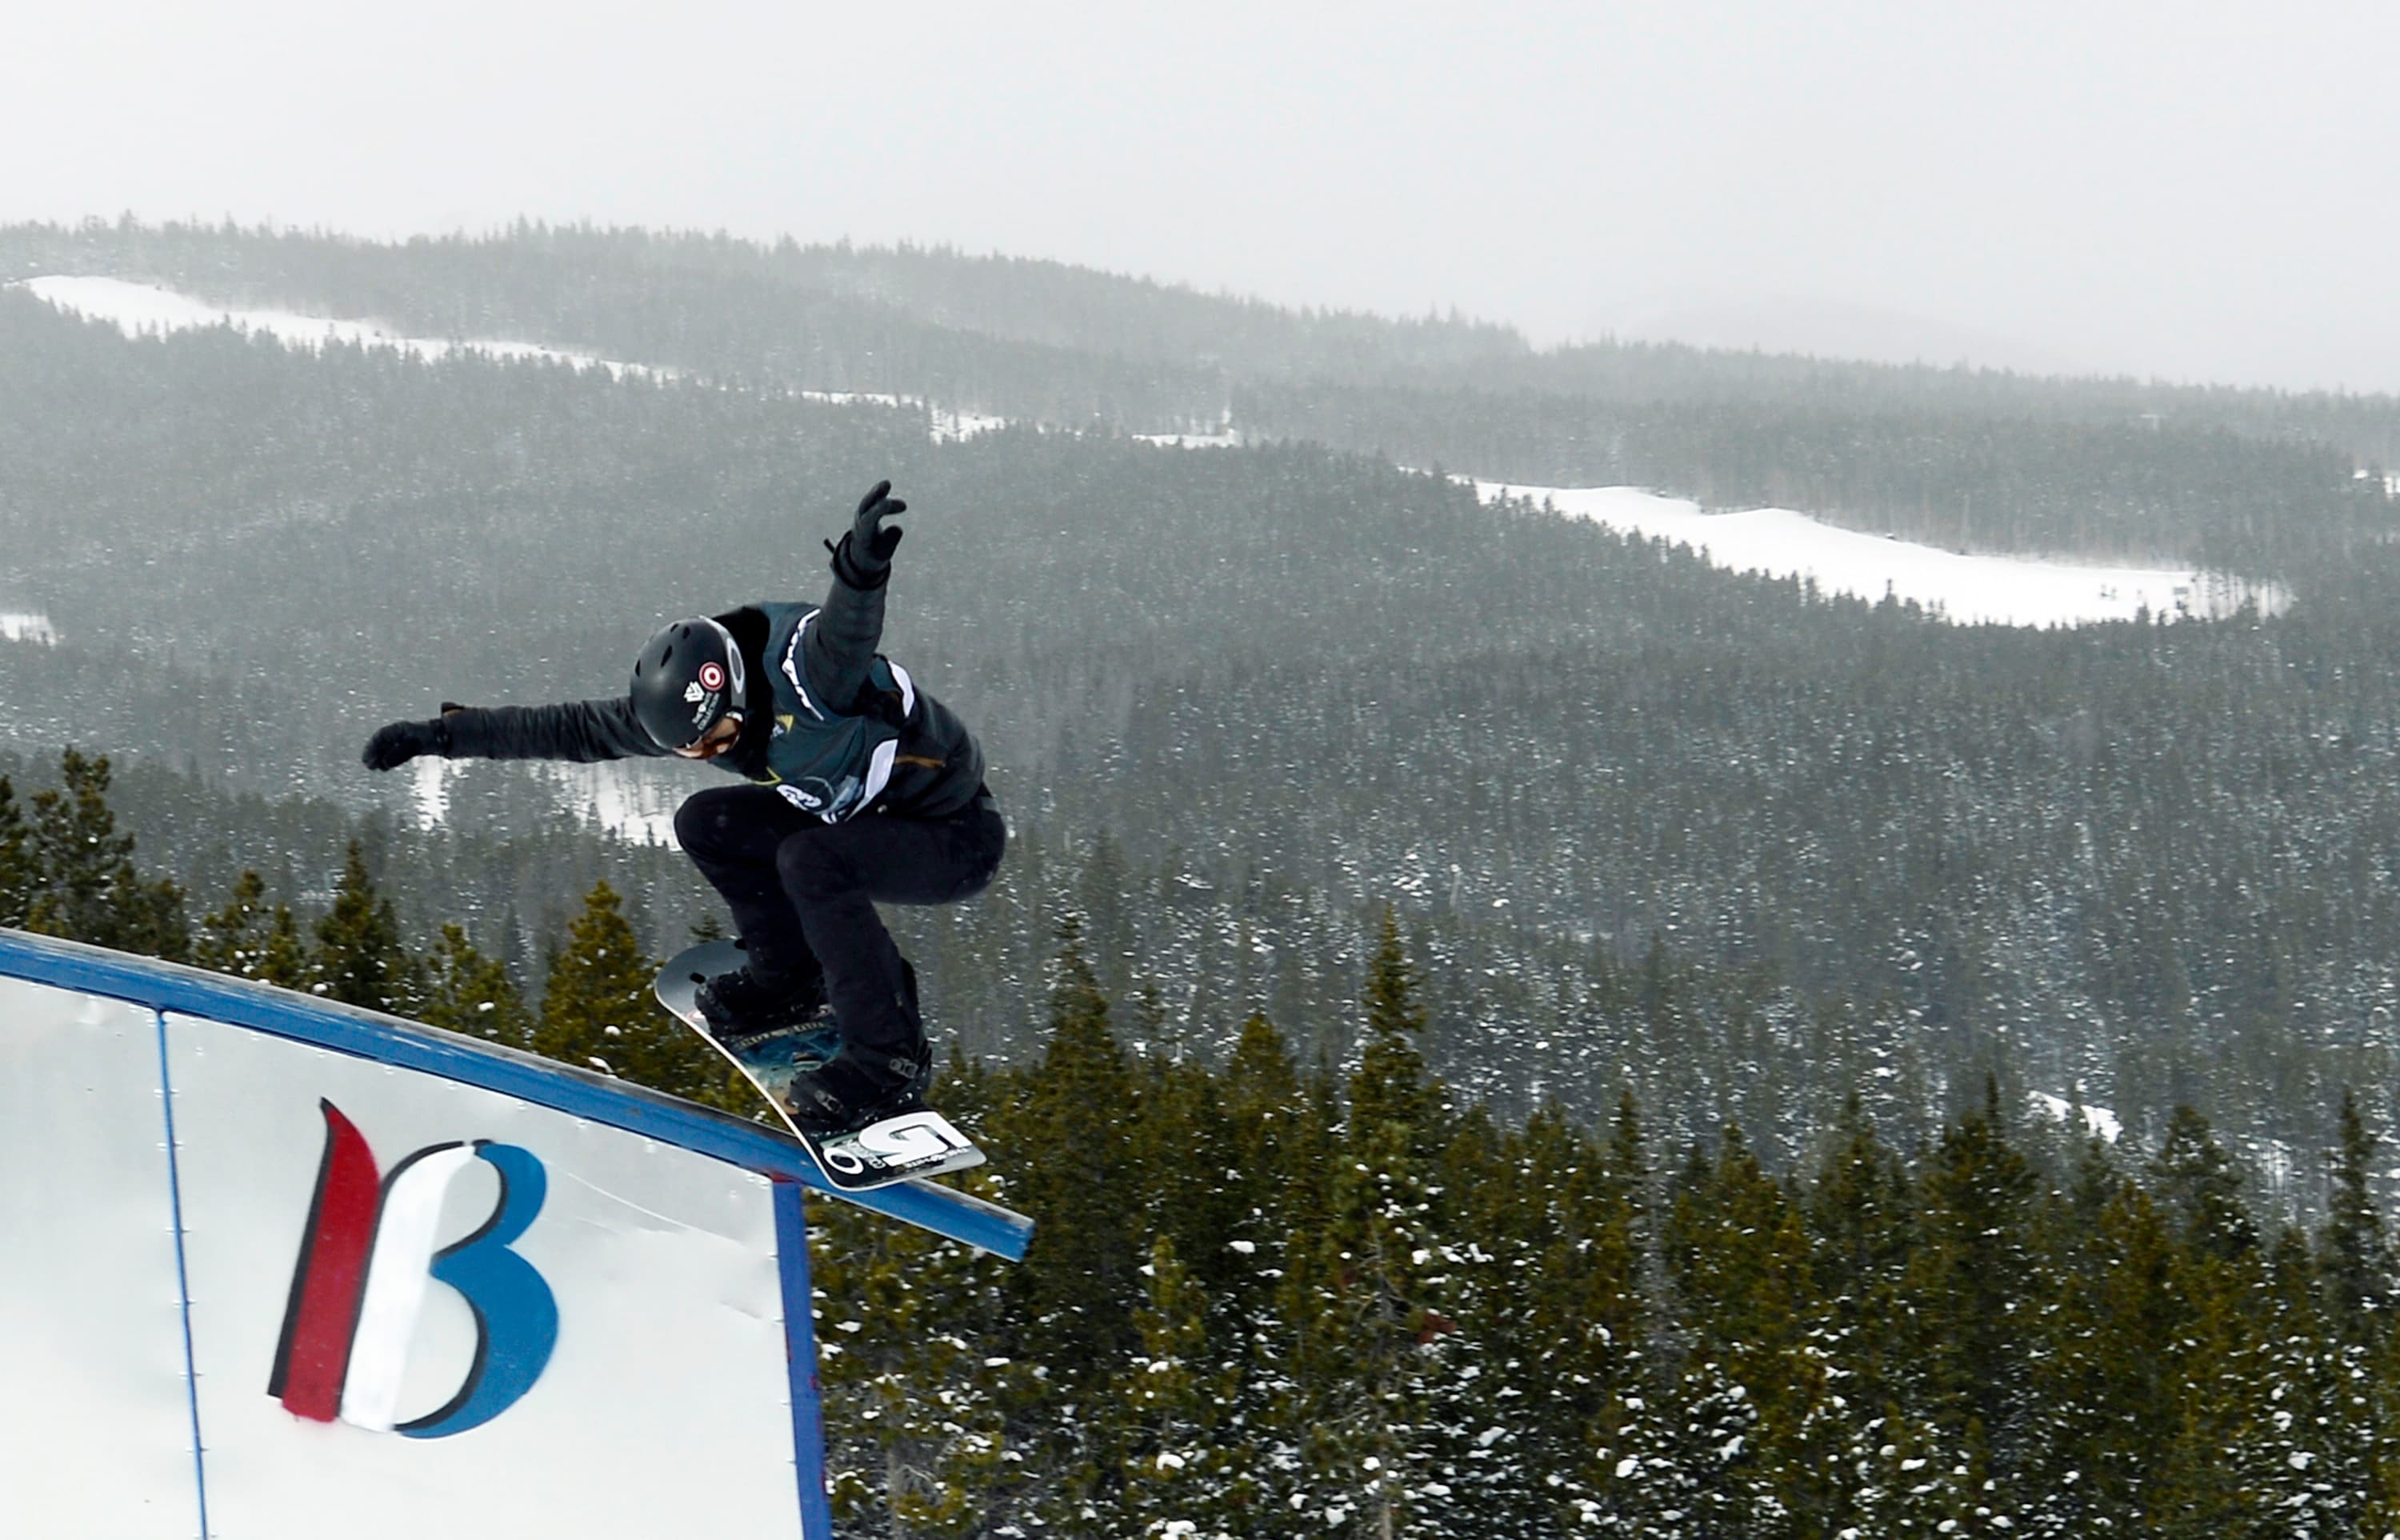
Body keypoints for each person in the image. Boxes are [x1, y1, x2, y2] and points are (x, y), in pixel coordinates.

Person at [360, 481, 1003, 1136]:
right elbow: (566, 729)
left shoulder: (810, 677)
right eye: (692, 749)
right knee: (708, 824)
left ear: (739, 696)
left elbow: (847, 631)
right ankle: (789, 978)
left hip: (952, 833)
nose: (709, 753)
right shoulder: (682, 715)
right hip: (859, 816)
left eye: (718, 739)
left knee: (811, 860)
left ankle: (888, 1058)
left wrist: (860, 568)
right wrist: (439, 736)